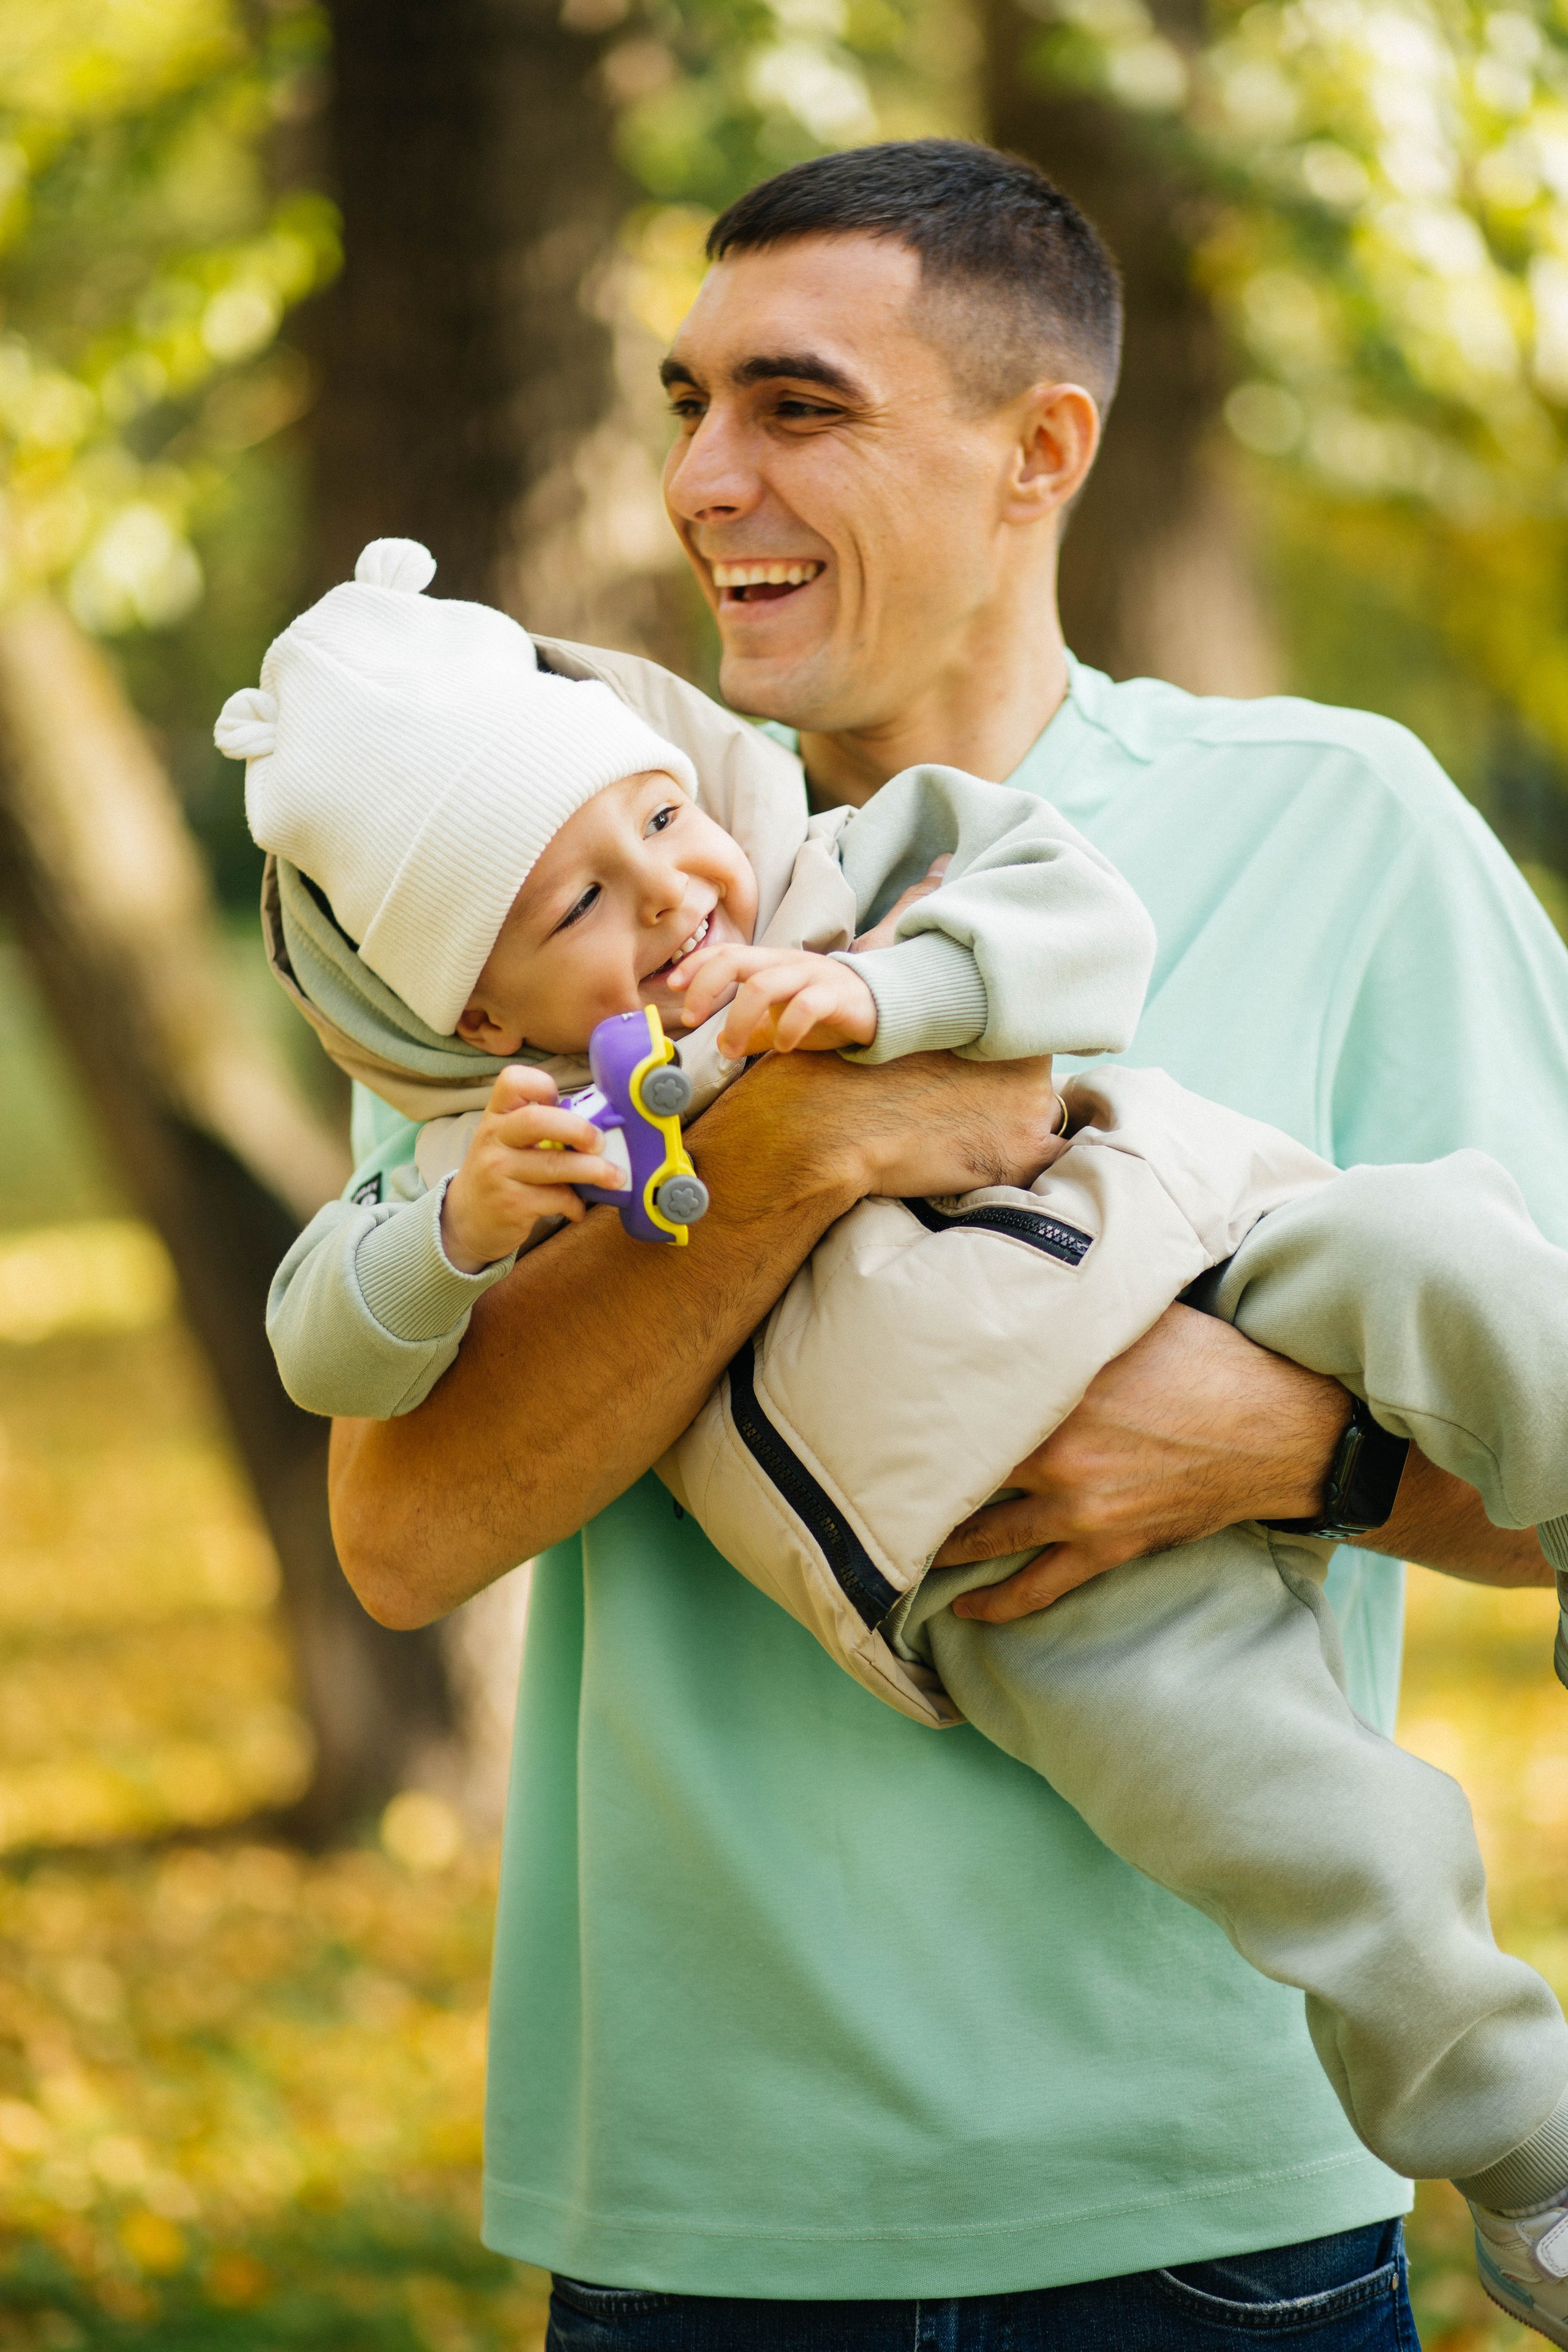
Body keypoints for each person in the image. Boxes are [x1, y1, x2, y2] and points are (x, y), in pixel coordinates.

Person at [326, 140, 1568, 2348]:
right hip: (706, 2212)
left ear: (1041, 451)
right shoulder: (530, 916)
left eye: (796, 408)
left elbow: (1537, 1431)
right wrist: (805, 1152)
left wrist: (1289, 1458)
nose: (708, 476)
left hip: (1211, 2205)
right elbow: (410, 1535)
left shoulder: (1348, 823)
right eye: (685, 403)